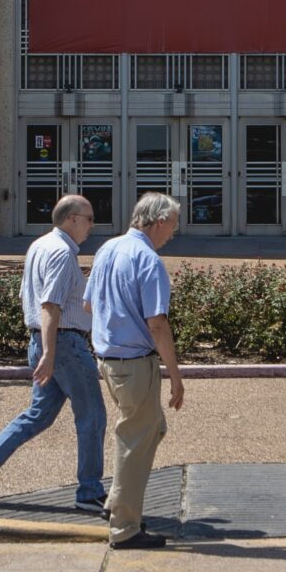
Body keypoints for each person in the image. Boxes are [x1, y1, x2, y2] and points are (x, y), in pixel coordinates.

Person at [0, 195, 105, 513]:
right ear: (71, 219)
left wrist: (46, 350)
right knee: (92, 416)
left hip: (45, 343)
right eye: (89, 218)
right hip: (63, 345)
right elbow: (50, 305)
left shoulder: (40, 246)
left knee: (38, 415)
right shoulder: (62, 252)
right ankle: (90, 492)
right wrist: (51, 355)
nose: (92, 225)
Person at [89, 191, 187, 549]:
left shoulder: (108, 249)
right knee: (135, 440)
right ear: (159, 222)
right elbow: (158, 323)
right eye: (172, 226)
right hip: (134, 362)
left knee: (150, 428)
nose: (172, 234)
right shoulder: (149, 260)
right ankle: (125, 528)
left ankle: (117, 502)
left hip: (109, 360)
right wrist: (175, 376)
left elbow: (89, 302)